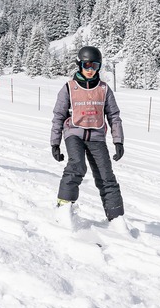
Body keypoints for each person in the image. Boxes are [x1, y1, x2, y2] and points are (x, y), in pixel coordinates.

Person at [50, 46, 127, 228]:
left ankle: (117, 220)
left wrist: (118, 140)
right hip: (74, 133)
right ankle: (63, 206)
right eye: (87, 65)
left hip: (97, 136)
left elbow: (114, 115)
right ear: (80, 65)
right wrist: (55, 143)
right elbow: (58, 115)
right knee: (77, 165)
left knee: (106, 176)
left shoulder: (104, 89)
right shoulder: (69, 88)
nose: (91, 70)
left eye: (95, 66)